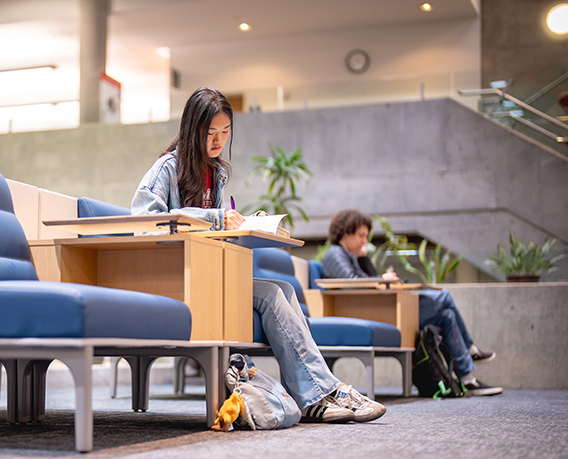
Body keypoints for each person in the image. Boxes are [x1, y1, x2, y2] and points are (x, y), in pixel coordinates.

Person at [131, 87, 385, 423]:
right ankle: (320, 395)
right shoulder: (167, 168)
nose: (218, 141)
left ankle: (318, 393)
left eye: (225, 133)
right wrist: (216, 218)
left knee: (286, 290)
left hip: (209, 273)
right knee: (269, 293)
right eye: (210, 133)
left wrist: (249, 225)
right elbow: (144, 224)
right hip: (176, 277)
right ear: (192, 130)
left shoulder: (215, 174)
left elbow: (219, 232)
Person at [321, 209, 503, 397]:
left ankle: (468, 379)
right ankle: (470, 349)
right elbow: (353, 284)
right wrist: (381, 277)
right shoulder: (335, 253)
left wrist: (363, 258)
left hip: (379, 308)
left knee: (446, 316)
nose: (364, 241)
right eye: (361, 235)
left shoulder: (351, 256)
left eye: (366, 236)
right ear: (345, 232)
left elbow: (366, 279)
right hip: (374, 311)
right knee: (443, 297)